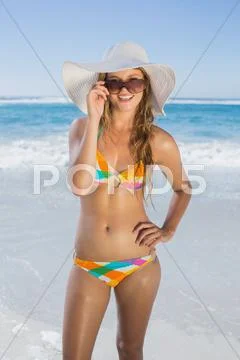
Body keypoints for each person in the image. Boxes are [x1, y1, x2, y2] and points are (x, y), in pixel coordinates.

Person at [61, 41, 192, 360]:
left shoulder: (158, 141)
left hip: (140, 265)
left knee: (129, 349)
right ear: (102, 86)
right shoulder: (81, 128)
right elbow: (79, 185)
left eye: (133, 81)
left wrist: (168, 229)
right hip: (89, 265)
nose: (124, 89)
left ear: (144, 87)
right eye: (114, 81)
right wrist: (94, 118)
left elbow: (183, 188)